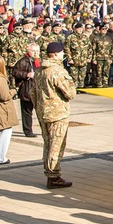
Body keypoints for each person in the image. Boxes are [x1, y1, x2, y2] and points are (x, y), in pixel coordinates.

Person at [33, 41, 76, 189]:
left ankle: (49, 172)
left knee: (48, 143)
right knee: (56, 145)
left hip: (43, 111)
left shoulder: (39, 70)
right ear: (57, 54)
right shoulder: (57, 71)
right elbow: (70, 93)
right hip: (57, 113)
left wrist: (39, 107)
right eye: (62, 52)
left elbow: (33, 93)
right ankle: (54, 176)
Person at [12, 43, 39, 138]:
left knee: (40, 111)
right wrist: (26, 74)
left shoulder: (38, 61)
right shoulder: (23, 61)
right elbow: (15, 72)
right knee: (27, 112)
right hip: (27, 89)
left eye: (37, 51)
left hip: (37, 90)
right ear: (28, 51)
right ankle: (28, 131)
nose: (35, 53)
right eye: (33, 51)